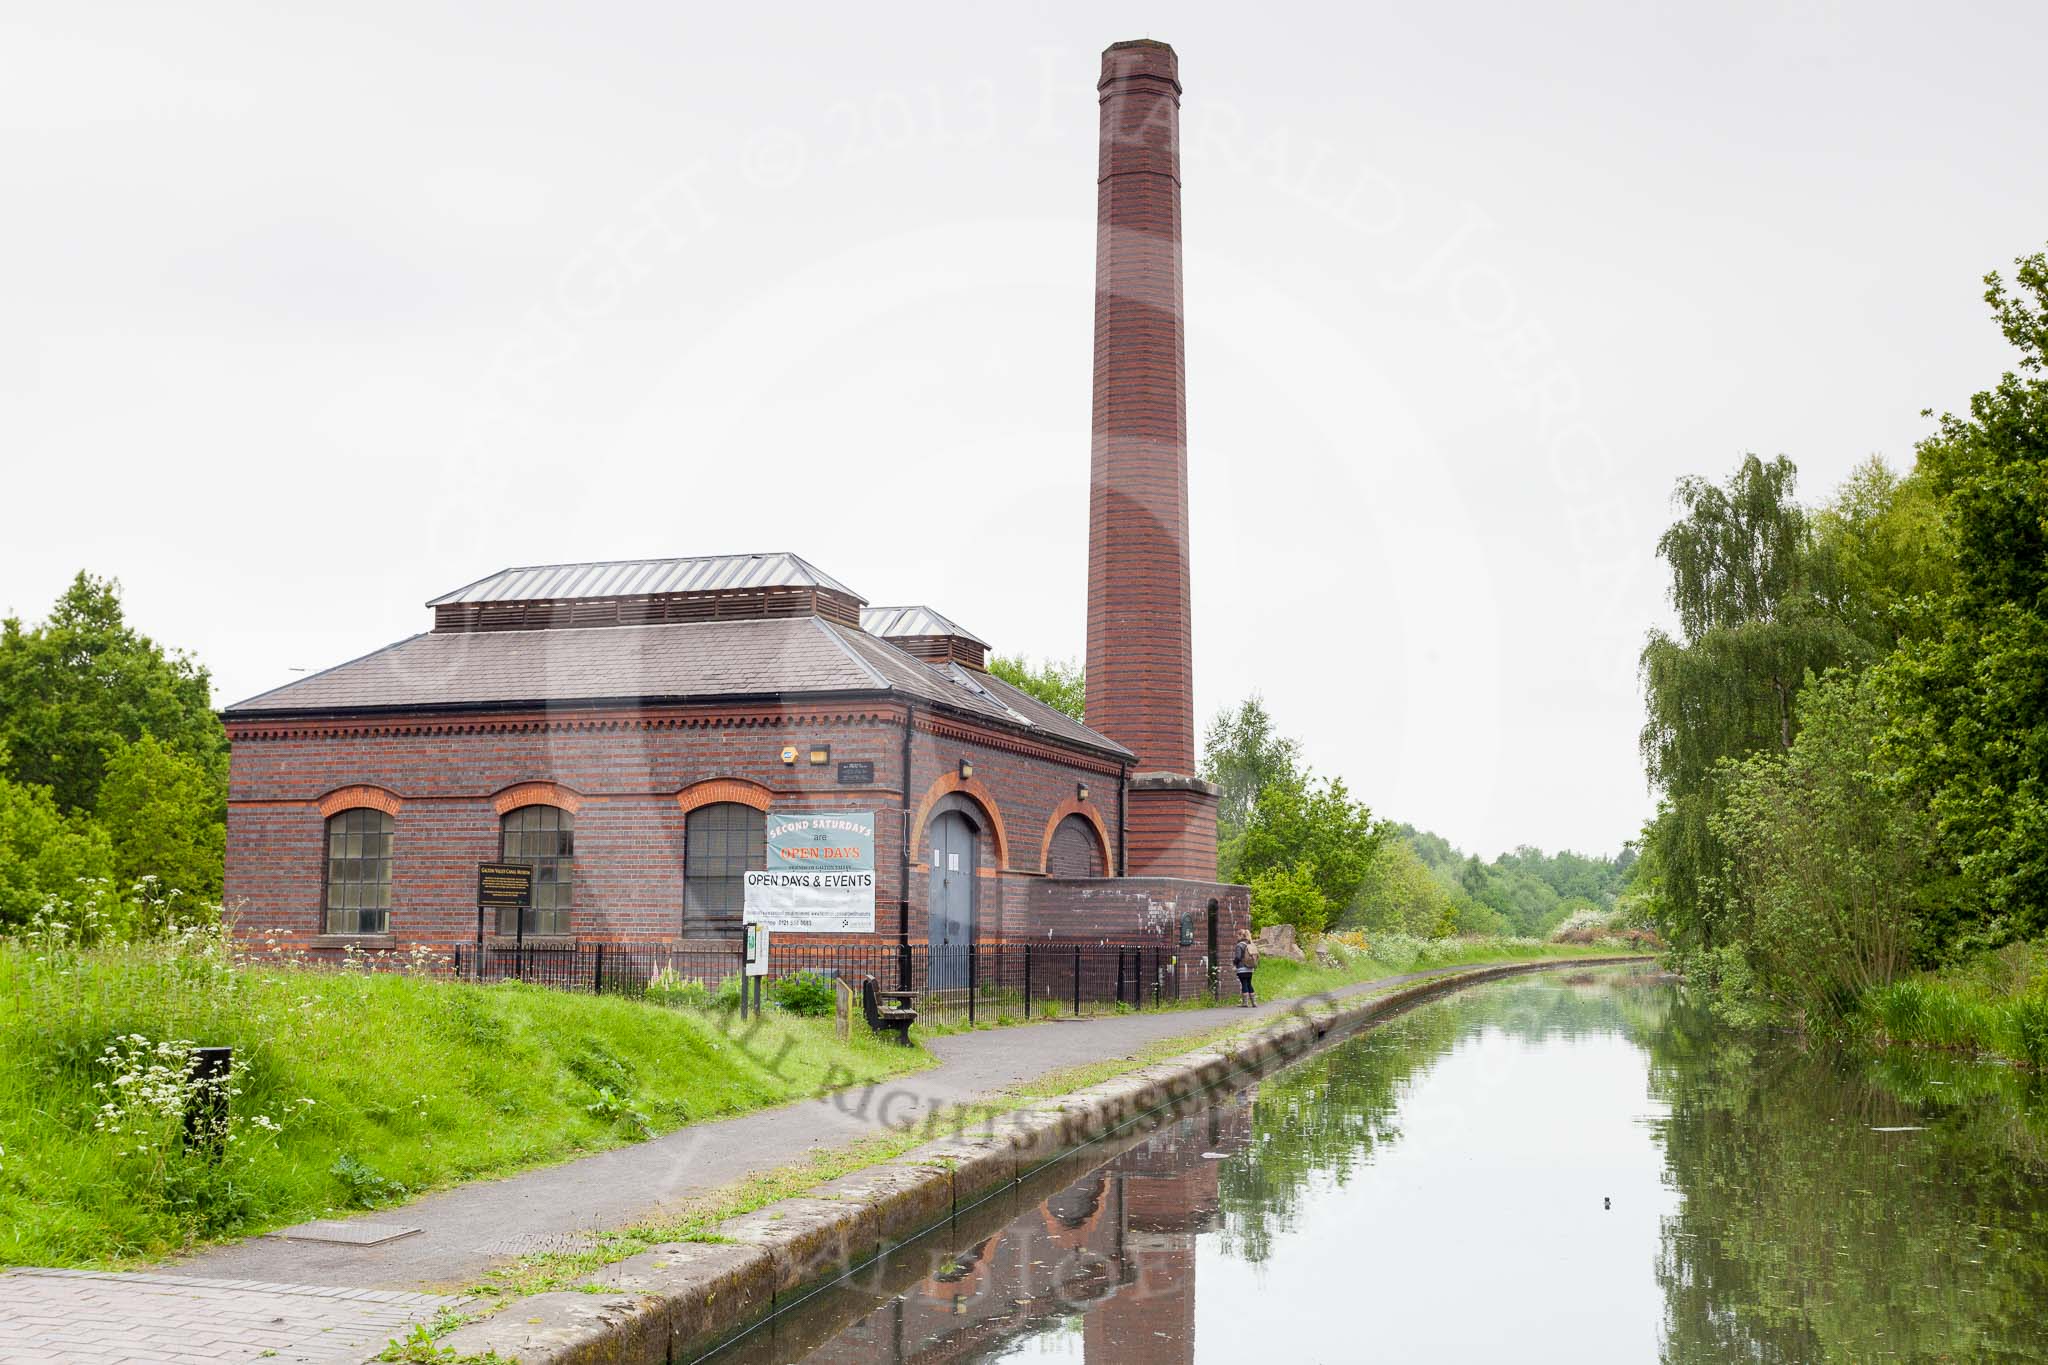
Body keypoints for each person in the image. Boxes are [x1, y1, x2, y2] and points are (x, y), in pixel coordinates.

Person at [1232, 929, 1258, 1007]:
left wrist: (1234, 964)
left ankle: (1245, 1003)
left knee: (1244, 984)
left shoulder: (1239, 945)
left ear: (1241, 936)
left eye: (1237, 935)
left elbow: (1238, 957)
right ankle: (1254, 1003)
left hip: (1242, 968)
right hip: (1250, 968)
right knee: (1249, 984)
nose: (1237, 937)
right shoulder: (1249, 944)